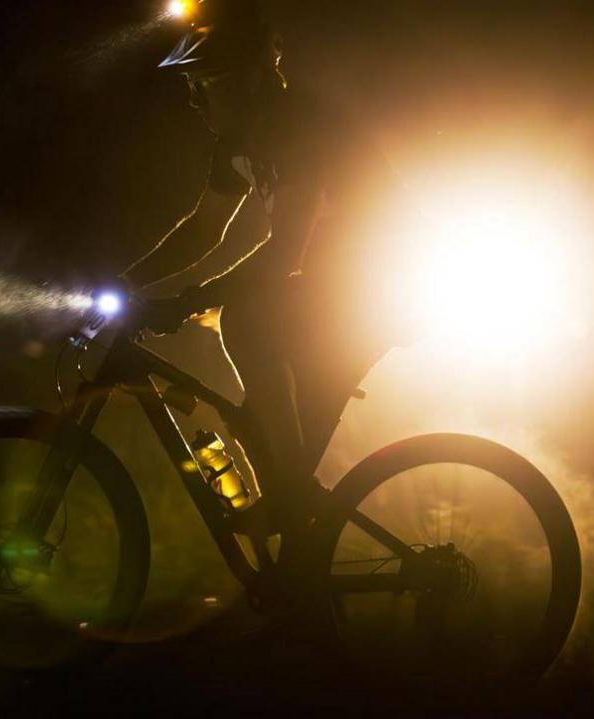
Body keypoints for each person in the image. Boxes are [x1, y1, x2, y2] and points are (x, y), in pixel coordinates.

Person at [122, 0, 405, 548]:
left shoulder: (299, 125)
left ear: (248, 81)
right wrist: (127, 282)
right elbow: (203, 231)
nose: (195, 102)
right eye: (191, 88)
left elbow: (284, 257)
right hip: (336, 287)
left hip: (381, 287)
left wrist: (190, 300)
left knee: (247, 323)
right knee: (258, 426)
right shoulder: (237, 143)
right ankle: (295, 555)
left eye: (204, 85)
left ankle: (294, 520)